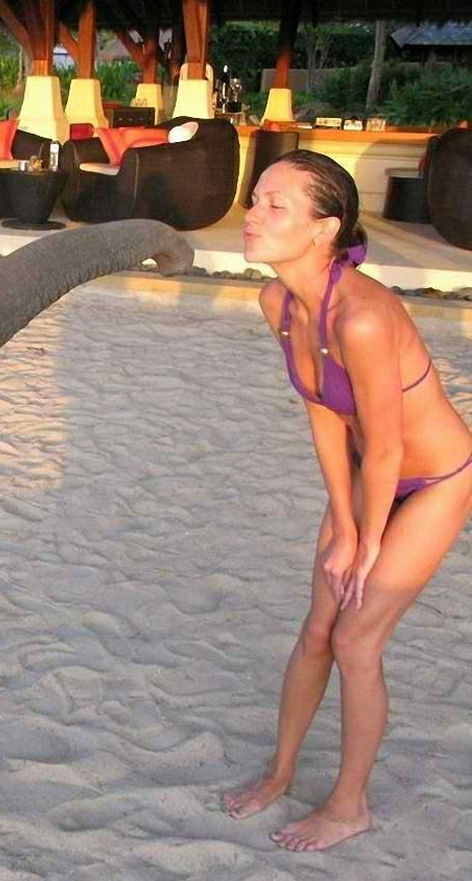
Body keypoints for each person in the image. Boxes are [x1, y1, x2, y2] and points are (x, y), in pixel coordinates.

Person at [223, 150, 472, 850]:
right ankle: (280, 772)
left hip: (436, 478)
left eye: (276, 205)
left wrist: (366, 541)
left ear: (324, 228)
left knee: (355, 638)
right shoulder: (278, 303)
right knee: (317, 629)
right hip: (367, 473)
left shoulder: (362, 316)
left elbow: (388, 446)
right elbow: (324, 414)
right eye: (256, 198)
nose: (253, 215)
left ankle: (348, 805)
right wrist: (342, 519)